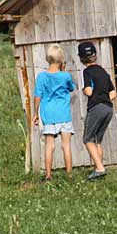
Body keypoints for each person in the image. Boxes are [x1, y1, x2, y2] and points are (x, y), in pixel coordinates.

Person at [33, 44, 76, 181]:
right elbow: (71, 88)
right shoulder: (65, 76)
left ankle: (48, 175)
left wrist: (36, 113)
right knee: (66, 145)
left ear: (47, 59)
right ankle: (69, 174)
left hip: (48, 115)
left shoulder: (41, 77)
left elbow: (37, 96)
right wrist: (64, 71)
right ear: (62, 61)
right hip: (64, 114)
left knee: (49, 145)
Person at [78, 42, 117, 180]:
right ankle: (99, 168)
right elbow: (113, 94)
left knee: (87, 139)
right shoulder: (103, 71)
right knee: (97, 140)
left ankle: (100, 169)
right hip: (108, 108)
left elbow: (89, 91)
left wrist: (85, 90)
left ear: (81, 58)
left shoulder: (86, 72)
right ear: (95, 55)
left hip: (96, 107)